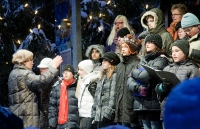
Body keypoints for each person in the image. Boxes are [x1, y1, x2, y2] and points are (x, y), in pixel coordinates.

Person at [8, 49, 62, 128]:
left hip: (18, 113)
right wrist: (54, 66)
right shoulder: (24, 74)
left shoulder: (13, 73)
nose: (33, 62)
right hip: (27, 115)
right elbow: (42, 80)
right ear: (24, 61)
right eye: (31, 60)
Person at [155, 39, 200, 128]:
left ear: (185, 52)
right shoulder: (167, 68)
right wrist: (162, 88)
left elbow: (194, 93)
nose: (174, 54)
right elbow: (158, 91)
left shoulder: (192, 69)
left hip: (185, 113)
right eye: (172, 51)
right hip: (167, 111)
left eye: (177, 51)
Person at [127, 34, 168, 129]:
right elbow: (129, 80)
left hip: (153, 102)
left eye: (151, 42)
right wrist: (138, 88)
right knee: (146, 126)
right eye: (146, 42)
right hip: (141, 101)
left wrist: (133, 71)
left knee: (154, 126)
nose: (147, 44)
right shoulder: (143, 59)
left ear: (157, 44)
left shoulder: (161, 60)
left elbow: (147, 76)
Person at [114, 34, 140, 128]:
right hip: (120, 107)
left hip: (132, 105)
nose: (123, 49)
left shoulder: (137, 64)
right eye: (122, 47)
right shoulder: (120, 66)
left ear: (132, 49)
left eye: (126, 47)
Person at [91, 52, 120, 128]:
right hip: (98, 116)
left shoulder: (114, 76)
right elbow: (97, 98)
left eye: (105, 60)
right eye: (102, 61)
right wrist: (94, 115)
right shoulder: (102, 76)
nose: (102, 62)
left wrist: (107, 115)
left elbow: (113, 98)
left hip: (108, 117)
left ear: (111, 62)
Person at [48, 64, 79, 129]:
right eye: (64, 72)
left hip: (75, 124)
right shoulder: (57, 87)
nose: (65, 74)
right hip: (60, 124)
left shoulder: (78, 85)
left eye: (68, 72)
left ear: (73, 73)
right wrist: (52, 123)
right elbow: (52, 106)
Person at [76, 59, 100, 129]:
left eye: (81, 70)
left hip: (89, 115)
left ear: (87, 70)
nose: (78, 72)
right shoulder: (83, 80)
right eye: (78, 69)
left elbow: (96, 99)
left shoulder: (92, 81)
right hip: (83, 114)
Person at [37, 57, 57, 129]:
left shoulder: (57, 82)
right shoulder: (40, 82)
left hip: (53, 118)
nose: (41, 70)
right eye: (40, 68)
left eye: (43, 68)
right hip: (43, 117)